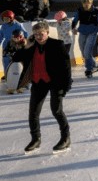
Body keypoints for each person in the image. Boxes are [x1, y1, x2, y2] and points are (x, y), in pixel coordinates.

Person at [12, 21, 73, 153]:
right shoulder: (32, 46)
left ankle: (66, 138)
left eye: (41, 34)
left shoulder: (57, 45)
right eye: (36, 34)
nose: (39, 37)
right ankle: (36, 139)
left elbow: (66, 66)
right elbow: (16, 59)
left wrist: (67, 85)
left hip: (56, 82)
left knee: (56, 110)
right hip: (38, 82)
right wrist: (26, 46)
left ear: (47, 32)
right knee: (33, 112)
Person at [71, 0, 98, 78]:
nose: (86, 5)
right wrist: (73, 28)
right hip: (82, 33)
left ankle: (89, 69)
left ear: (91, 3)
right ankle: (95, 65)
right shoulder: (80, 10)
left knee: (87, 52)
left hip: (92, 33)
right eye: (84, 3)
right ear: (82, 4)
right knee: (84, 52)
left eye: (88, 3)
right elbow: (75, 20)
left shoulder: (97, 12)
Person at [1, 9, 28, 78]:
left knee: (17, 59)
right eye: (4, 19)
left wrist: (23, 41)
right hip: (7, 43)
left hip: (16, 43)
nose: (5, 20)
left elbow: (25, 33)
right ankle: (7, 74)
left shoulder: (17, 25)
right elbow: (1, 35)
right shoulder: (4, 26)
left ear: (11, 18)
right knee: (6, 59)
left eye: (7, 19)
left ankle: (20, 73)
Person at [3, 29, 28, 94]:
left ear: (22, 36)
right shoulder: (10, 43)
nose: (17, 39)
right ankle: (10, 83)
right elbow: (6, 50)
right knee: (11, 70)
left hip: (23, 61)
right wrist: (6, 52)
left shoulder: (25, 43)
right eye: (15, 37)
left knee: (23, 71)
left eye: (19, 37)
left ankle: (23, 84)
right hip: (14, 61)